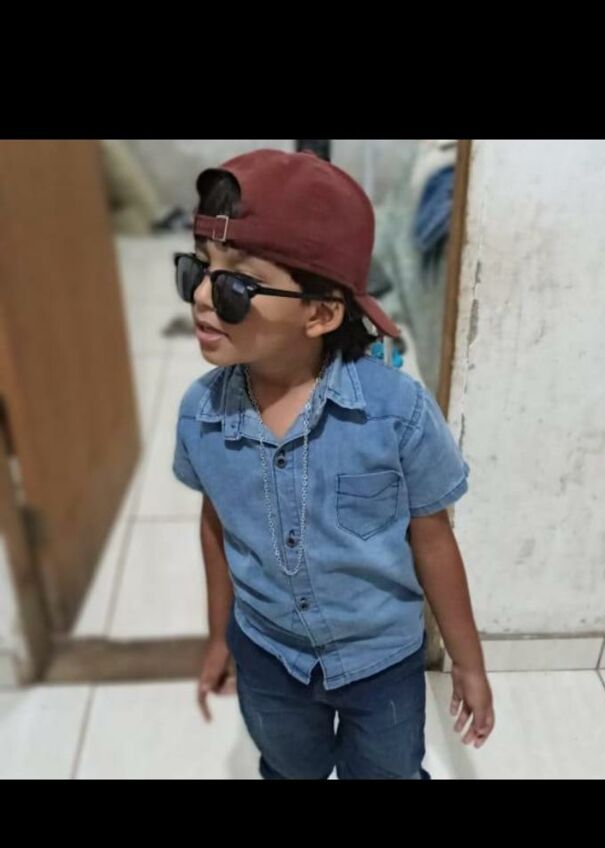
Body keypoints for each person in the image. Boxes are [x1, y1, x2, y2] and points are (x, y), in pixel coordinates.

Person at [172, 149, 494, 779]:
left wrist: (469, 663)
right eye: (198, 269)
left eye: (236, 284)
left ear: (320, 313)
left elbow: (433, 540)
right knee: (289, 768)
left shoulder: (396, 413)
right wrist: (218, 636)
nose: (204, 296)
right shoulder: (202, 415)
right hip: (268, 655)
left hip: (382, 663)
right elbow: (216, 526)